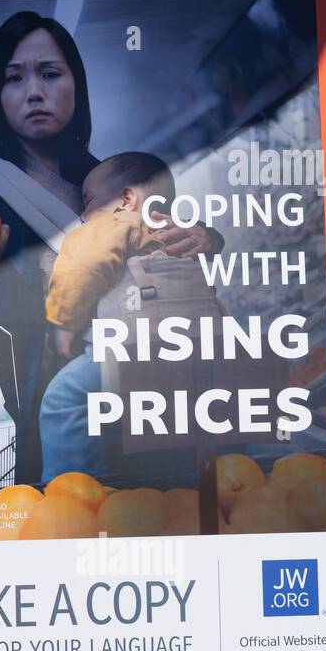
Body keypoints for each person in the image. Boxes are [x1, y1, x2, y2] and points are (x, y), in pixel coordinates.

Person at [0, 12, 220, 486]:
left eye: (50, 73)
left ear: (75, 86)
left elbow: (154, 234)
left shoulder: (109, 176)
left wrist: (204, 236)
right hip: (53, 425)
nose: (33, 91)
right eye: (13, 78)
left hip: (152, 406)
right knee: (68, 525)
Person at [39, 153, 221, 483]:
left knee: (64, 399)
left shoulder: (117, 222)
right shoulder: (178, 231)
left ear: (126, 199)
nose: (82, 215)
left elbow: (81, 269)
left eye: (88, 201)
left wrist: (64, 321)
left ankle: (75, 490)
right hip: (205, 350)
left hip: (138, 348)